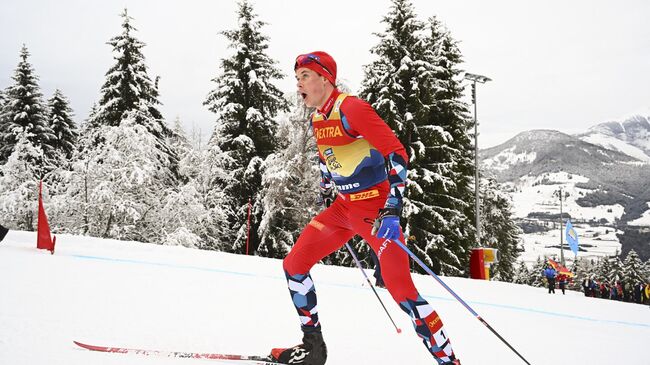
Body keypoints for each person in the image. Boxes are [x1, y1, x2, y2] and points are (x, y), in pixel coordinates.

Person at [269, 52, 460, 365]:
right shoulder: (318, 117)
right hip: (343, 210)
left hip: (374, 212)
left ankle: (449, 361)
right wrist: (327, 187)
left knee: (403, 293)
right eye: (296, 77)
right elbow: (327, 156)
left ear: (325, 78)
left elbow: (397, 153)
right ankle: (313, 349)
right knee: (294, 265)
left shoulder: (352, 108)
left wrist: (393, 207)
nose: (298, 83)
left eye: (305, 75)